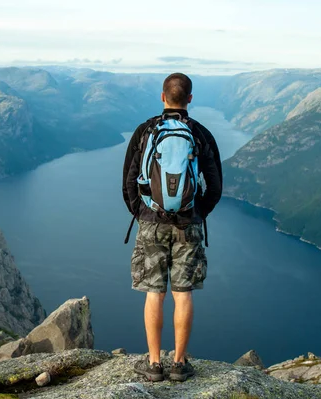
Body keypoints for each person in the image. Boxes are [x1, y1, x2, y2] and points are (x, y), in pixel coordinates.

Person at [122, 72, 223, 382]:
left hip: (151, 223)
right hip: (188, 226)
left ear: (162, 97)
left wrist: (143, 213)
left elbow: (128, 182)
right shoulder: (200, 134)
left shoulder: (145, 131)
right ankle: (179, 364)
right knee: (183, 294)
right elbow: (215, 186)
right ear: (189, 99)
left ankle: (154, 364)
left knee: (154, 294)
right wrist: (195, 212)